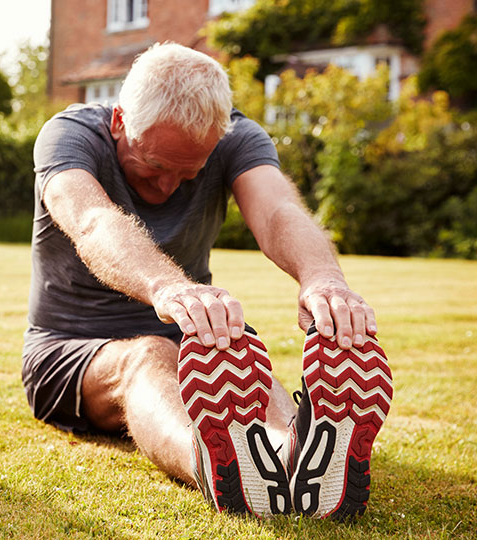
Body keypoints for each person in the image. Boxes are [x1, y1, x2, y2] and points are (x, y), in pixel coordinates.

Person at [22, 43, 393, 519]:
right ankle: (219, 467)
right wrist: (167, 288)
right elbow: (93, 221)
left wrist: (322, 278)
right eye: (154, 166)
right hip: (69, 349)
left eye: (189, 173)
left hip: (192, 336)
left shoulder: (237, 137)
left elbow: (278, 209)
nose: (167, 187)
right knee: (150, 354)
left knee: (235, 348)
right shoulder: (68, 135)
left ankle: (289, 458)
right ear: (119, 121)